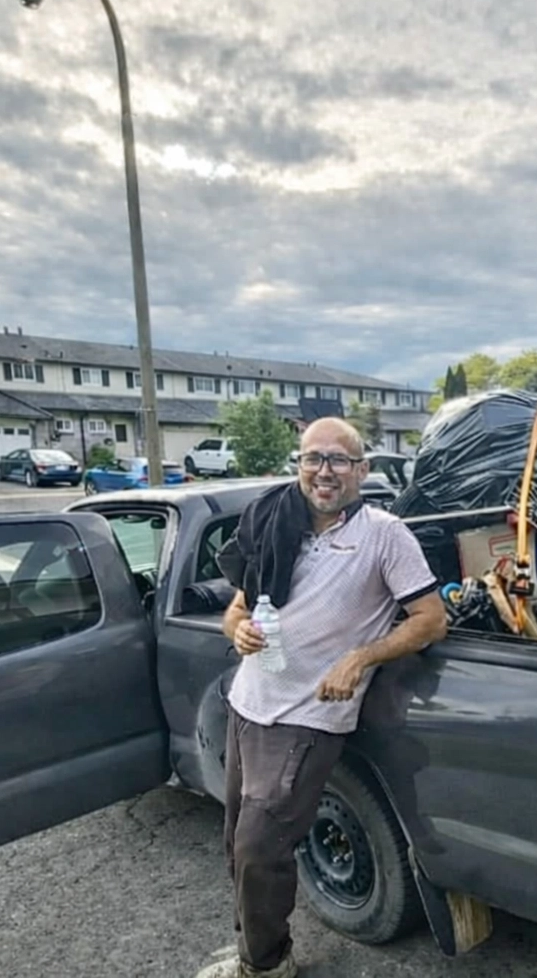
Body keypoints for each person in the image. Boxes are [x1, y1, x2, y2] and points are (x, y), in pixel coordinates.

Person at [198, 418, 447, 978]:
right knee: (238, 845)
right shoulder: (277, 525)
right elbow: (237, 609)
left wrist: (359, 658)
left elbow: (431, 619)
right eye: (313, 458)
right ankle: (253, 946)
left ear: (362, 470)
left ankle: (265, 965)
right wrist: (237, 631)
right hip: (249, 703)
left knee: (260, 847)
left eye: (338, 459)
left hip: (308, 716)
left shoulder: (384, 535)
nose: (324, 471)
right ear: (300, 466)